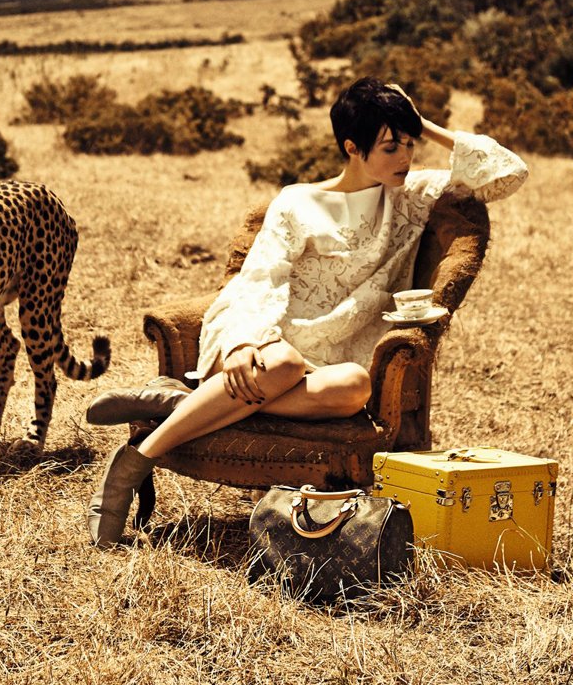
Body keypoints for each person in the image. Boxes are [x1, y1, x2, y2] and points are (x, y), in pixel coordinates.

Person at [88, 77, 528, 547]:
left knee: (355, 384)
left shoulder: (412, 196)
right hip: (263, 338)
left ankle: (183, 404)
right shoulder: (298, 200)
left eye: (409, 144)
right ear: (352, 147)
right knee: (283, 362)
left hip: (325, 364)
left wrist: (420, 123)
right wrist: (243, 343)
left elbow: (508, 172)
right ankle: (135, 464)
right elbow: (262, 277)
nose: (404, 157)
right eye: (389, 147)